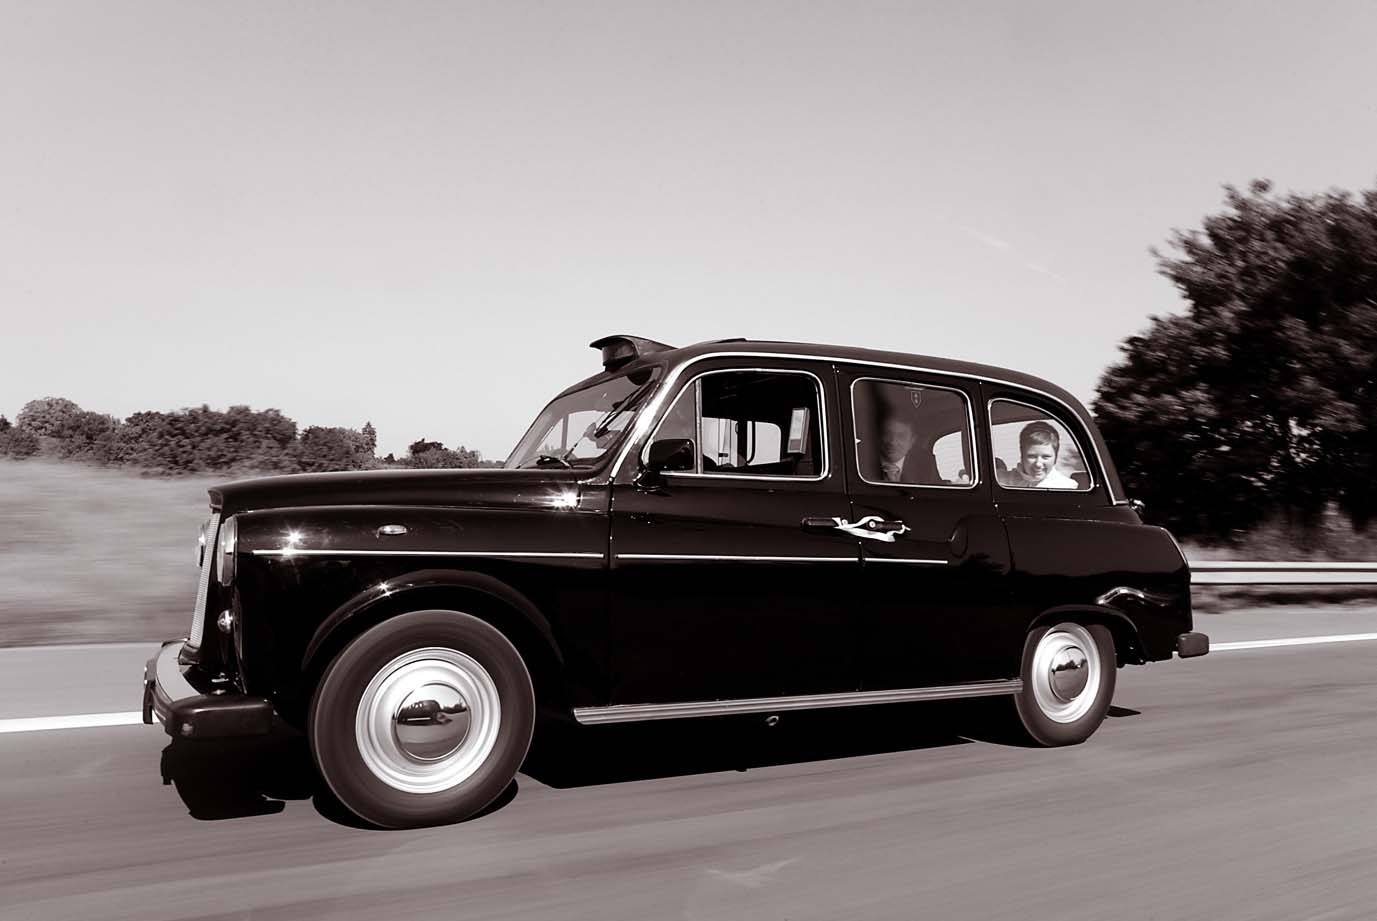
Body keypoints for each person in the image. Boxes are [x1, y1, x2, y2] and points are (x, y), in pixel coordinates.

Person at [998, 421, 1077, 489]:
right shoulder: (1001, 481)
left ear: (1055, 457)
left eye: (1045, 457)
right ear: (1022, 456)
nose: (1038, 464)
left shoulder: (1066, 487)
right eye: (1032, 456)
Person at [877, 415, 916, 482]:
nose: (893, 442)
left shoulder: (927, 464)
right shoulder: (861, 460)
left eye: (901, 436)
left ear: (912, 441)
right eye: (887, 434)